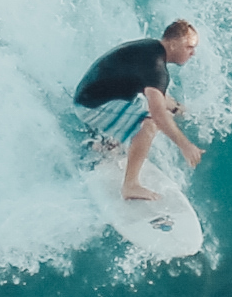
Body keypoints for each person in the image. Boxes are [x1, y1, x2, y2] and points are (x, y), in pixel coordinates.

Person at [71, 19, 204, 202]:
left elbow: (154, 93)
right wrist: (185, 145)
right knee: (148, 124)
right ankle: (130, 186)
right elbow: (157, 114)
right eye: (189, 47)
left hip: (92, 97)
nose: (193, 53)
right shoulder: (156, 68)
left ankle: (103, 146)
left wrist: (178, 108)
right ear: (173, 44)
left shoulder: (150, 50)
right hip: (92, 106)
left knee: (148, 113)